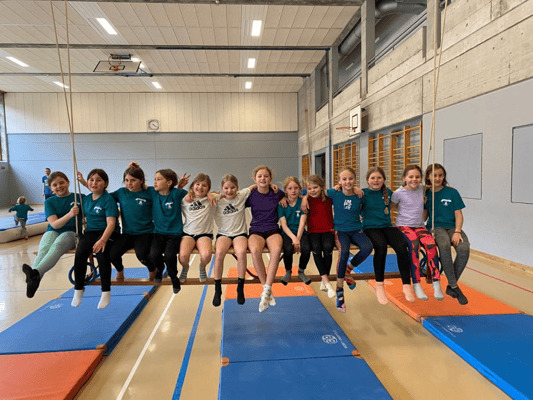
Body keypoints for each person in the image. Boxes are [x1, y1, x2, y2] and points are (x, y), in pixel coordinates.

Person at [22, 172, 81, 298]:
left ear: (68, 182)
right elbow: (54, 225)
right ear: (51, 187)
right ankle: (34, 279)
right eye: (55, 185)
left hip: (71, 232)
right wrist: (70, 214)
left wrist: (84, 183)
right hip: (54, 229)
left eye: (61, 183)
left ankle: (34, 274)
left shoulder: (78, 198)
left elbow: (96, 194)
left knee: (58, 244)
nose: (59, 186)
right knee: (44, 249)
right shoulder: (49, 202)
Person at [362, 167, 415, 304]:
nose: (376, 180)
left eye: (379, 178)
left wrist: (425, 190)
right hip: (370, 227)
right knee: (381, 247)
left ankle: (406, 285)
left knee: (402, 247)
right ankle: (379, 284)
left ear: (384, 179)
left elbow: (406, 194)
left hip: (387, 226)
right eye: (373, 178)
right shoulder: (362, 193)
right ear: (367, 180)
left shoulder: (389, 193)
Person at [391, 165, 443, 301]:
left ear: (421, 178)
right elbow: (391, 207)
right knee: (414, 245)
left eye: (417, 177)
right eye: (411, 177)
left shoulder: (423, 189)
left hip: (419, 226)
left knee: (431, 245)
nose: (414, 179)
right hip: (404, 226)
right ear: (404, 178)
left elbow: (436, 186)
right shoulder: (398, 193)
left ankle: (436, 282)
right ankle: (416, 283)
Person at [71, 169, 119, 309]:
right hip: (91, 231)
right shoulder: (85, 199)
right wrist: (82, 181)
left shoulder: (108, 200)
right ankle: (78, 289)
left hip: (108, 232)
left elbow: (111, 223)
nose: (94, 183)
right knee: (80, 254)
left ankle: (105, 292)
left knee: (101, 255)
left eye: (98, 180)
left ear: (105, 183)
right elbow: (92, 188)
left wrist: (103, 240)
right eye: (91, 180)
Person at [328, 167, 373, 312]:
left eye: (350, 179)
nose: (348, 182)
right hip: (341, 230)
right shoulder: (334, 193)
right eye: (344, 179)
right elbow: (311, 192)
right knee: (344, 252)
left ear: (355, 180)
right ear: (339, 181)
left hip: (355, 229)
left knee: (367, 247)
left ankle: (348, 270)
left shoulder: (359, 195)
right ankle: (339, 289)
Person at [425, 163, 470, 305]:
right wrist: (421, 203)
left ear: (444, 176)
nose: (437, 178)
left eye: (440, 175)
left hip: (452, 227)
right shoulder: (426, 193)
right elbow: (424, 217)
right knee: (444, 245)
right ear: (428, 177)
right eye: (434, 175)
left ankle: (451, 285)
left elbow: (459, 214)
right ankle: (455, 286)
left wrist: (457, 231)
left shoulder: (452, 192)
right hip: (436, 227)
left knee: (464, 248)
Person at [246, 165, 285, 312]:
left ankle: (267, 290)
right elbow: (233, 196)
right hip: (256, 229)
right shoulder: (251, 195)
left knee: (276, 250)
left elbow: (292, 194)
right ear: (254, 179)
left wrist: (285, 197)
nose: (263, 178)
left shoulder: (277, 193)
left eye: (266, 176)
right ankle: (266, 289)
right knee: (255, 251)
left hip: (273, 228)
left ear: (271, 178)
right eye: (260, 176)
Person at [211, 174, 251, 307]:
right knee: (219, 254)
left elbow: (253, 186)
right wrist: (211, 194)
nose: (229, 191)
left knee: (241, 253)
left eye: (232, 187)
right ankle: (217, 288)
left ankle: (240, 287)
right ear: (222, 188)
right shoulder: (217, 200)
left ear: (237, 187)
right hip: (224, 234)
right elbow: (203, 195)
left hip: (240, 233)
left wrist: (271, 186)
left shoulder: (241, 195)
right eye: (226, 188)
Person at [148, 168, 188, 294]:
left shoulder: (177, 193)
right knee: (153, 255)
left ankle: (173, 277)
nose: (155, 182)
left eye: (159, 179)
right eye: (154, 179)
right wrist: (135, 168)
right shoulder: (153, 193)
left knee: (170, 256)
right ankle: (160, 268)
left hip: (174, 233)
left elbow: (194, 195)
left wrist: (210, 194)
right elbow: (139, 184)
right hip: (158, 232)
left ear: (169, 182)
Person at [179, 173, 216, 286]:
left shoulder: (212, 199)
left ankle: (202, 266)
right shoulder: (185, 199)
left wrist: (210, 194)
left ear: (208, 188)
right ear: (192, 185)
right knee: (183, 256)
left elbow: (227, 194)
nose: (200, 187)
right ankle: (185, 267)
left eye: (204, 185)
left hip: (204, 234)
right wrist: (180, 187)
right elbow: (173, 195)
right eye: (198, 184)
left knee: (206, 255)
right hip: (188, 233)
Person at [303, 175, 336, 299]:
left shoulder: (328, 197)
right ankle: (326, 282)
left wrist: (355, 189)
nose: (312, 190)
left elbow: (340, 190)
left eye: (315, 187)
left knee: (328, 248)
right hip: (313, 231)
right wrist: (305, 197)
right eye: (309, 188)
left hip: (328, 229)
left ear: (321, 187)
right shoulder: (306, 199)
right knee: (316, 249)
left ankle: (324, 279)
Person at [278, 177, 311, 286]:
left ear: (300, 189)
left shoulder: (303, 203)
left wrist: (298, 238)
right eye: (290, 188)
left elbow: (302, 223)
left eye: (296, 188)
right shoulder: (282, 204)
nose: (293, 191)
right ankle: (288, 271)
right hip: (287, 233)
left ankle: (301, 271)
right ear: (285, 190)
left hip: (300, 232)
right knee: (287, 249)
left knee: (306, 249)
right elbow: (283, 225)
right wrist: (293, 238)